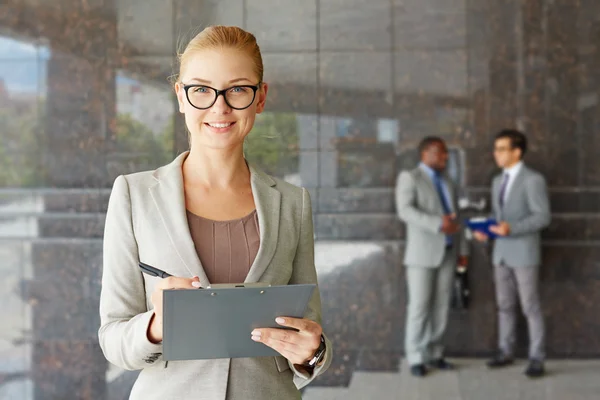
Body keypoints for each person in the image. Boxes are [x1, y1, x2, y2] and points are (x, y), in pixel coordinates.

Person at [98, 26, 332, 399]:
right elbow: (113, 338)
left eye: (237, 88)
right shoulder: (133, 195)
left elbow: (311, 329)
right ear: (181, 96)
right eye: (202, 90)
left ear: (260, 97)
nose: (219, 107)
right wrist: (157, 324)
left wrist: (314, 353)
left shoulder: (293, 203)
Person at [473, 129, 550, 378]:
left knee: (530, 306)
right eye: (495, 149)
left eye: (502, 149)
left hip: (524, 253)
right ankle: (505, 351)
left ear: (517, 152)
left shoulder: (533, 180)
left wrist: (512, 228)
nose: (496, 154)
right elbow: (499, 217)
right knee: (504, 306)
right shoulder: (497, 180)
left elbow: (542, 217)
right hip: (501, 253)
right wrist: (488, 230)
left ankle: (537, 358)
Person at [395, 137, 469, 377]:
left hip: (448, 252)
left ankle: (435, 354)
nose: (445, 157)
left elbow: (456, 219)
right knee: (419, 307)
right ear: (426, 153)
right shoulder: (410, 177)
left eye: (446, 153)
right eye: (441, 152)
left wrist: (463, 251)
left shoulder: (448, 180)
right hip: (421, 255)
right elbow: (405, 210)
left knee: (441, 306)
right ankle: (415, 356)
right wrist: (437, 224)